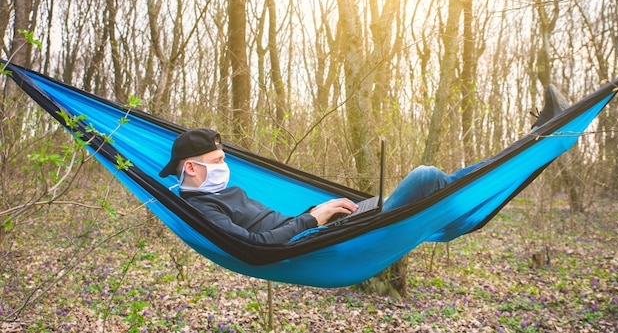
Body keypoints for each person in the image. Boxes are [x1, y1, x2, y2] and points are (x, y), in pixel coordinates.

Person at [159, 86, 569, 245]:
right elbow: (255, 246)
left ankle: (536, 142)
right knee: (427, 179)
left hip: (323, 230)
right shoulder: (200, 208)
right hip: (315, 244)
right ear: (191, 168)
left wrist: (317, 211)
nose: (225, 165)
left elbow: (269, 224)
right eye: (217, 161)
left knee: (431, 195)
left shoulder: (214, 192)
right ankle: (538, 141)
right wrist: (315, 220)